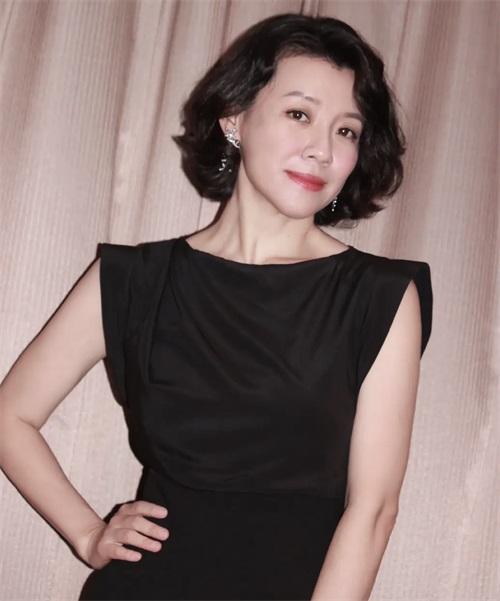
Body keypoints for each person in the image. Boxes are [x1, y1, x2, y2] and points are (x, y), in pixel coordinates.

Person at [0, 13, 432, 601]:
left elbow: (374, 509)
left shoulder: (379, 296)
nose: (322, 149)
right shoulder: (134, 280)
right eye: (299, 114)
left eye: (347, 130)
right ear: (235, 118)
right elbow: (12, 416)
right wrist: (87, 534)